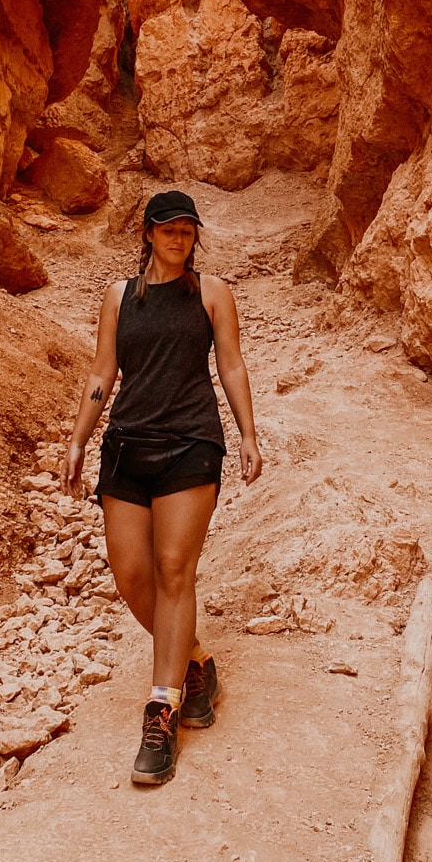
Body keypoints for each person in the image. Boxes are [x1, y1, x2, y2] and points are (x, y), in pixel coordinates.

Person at [61, 189, 263, 786]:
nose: (179, 238)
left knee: (175, 570)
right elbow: (103, 372)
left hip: (191, 444)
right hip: (126, 445)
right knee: (131, 576)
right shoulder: (119, 298)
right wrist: (76, 439)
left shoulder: (211, 293)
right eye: (168, 229)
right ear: (147, 233)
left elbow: (231, 364)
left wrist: (248, 434)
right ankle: (196, 660)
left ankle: (162, 710)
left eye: (187, 230)